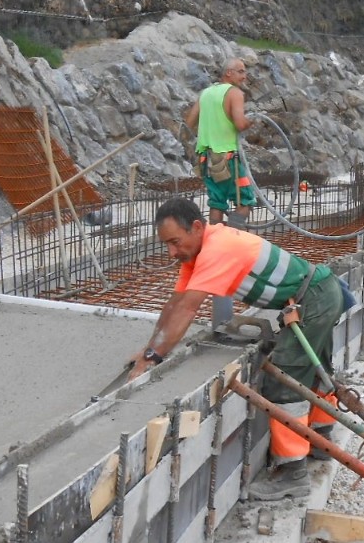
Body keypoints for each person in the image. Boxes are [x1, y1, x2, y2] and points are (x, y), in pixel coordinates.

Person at [129, 197, 346, 500]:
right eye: (167, 245)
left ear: (195, 227)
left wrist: (155, 357)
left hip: (315, 297)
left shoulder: (218, 248)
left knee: (285, 379)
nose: (172, 252)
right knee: (311, 368)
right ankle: (321, 439)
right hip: (317, 293)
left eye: (175, 242)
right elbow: (176, 303)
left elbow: (189, 309)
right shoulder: (196, 254)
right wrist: (148, 350)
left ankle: (292, 473)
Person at [184, 58, 255, 229]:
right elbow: (240, 124)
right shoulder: (234, 93)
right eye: (241, 71)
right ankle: (231, 237)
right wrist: (250, 121)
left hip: (206, 160)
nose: (244, 76)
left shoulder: (206, 93)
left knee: (217, 202)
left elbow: (188, 125)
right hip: (227, 159)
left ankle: (215, 240)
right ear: (228, 73)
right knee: (245, 200)